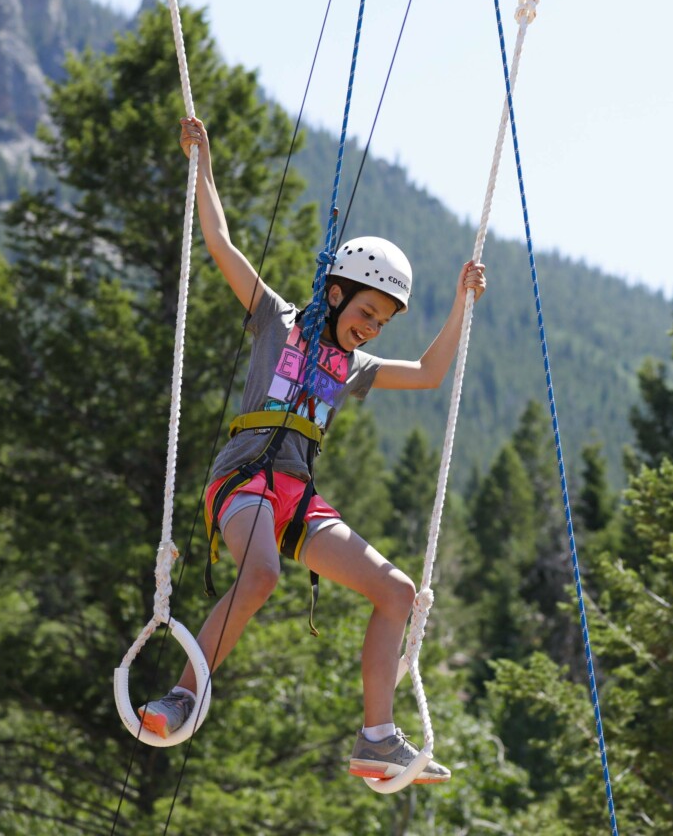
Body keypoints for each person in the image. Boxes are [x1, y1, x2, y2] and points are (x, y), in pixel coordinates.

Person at [140, 116, 486, 784]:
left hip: (296, 497)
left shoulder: (354, 368)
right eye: (364, 313)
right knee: (261, 573)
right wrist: (203, 165)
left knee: (398, 592)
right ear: (335, 292)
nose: (368, 329)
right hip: (243, 481)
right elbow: (220, 241)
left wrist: (459, 304)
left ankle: (377, 738)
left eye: (380, 323)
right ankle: (183, 692)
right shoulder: (277, 319)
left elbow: (429, 373)